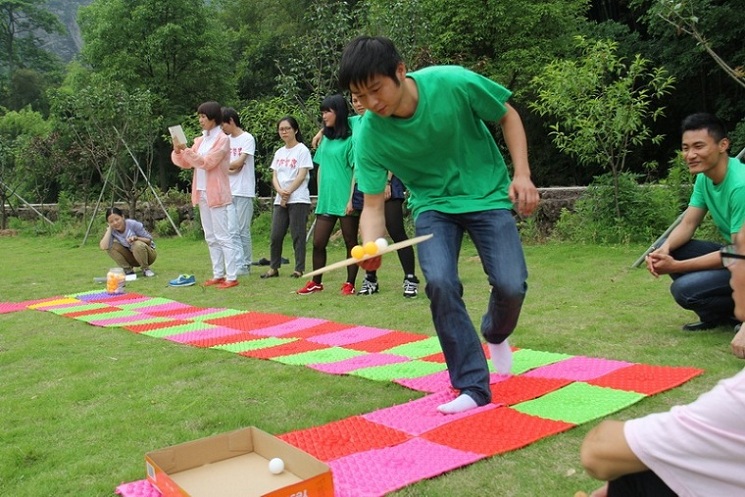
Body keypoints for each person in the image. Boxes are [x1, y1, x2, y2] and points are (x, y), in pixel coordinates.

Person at [338, 36, 539, 414]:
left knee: (511, 285)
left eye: (376, 89)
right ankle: (472, 385)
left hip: (487, 195)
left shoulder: (452, 83)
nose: (371, 103)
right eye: (359, 96)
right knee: (441, 283)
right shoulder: (370, 135)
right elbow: (373, 203)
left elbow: (507, 114)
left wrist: (522, 174)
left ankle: (496, 332)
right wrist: (370, 245)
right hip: (433, 206)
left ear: (400, 71)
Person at [578, 224, 745, 497]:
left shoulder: (738, 396)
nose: (731, 267)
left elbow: (599, 452)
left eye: (735, 255)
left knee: (638, 472)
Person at [312, 95, 420, 298]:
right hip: (364, 185)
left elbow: (391, 151)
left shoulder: (383, 119)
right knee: (369, 237)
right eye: (354, 101)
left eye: (362, 99)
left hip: (386, 183)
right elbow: (336, 120)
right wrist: (320, 132)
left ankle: (410, 279)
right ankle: (371, 279)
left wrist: (388, 181)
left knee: (396, 231)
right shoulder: (355, 122)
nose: (358, 104)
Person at [646, 113, 745, 331]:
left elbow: (737, 252)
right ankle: (717, 317)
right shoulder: (704, 178)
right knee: (666, 245)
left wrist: (676, 266)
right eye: (686, 148)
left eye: (698, 146)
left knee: (684, 290)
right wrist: (664, 251)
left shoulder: (740, 186)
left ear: (723, 145)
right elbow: (688, 224)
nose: (690, 155)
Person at [171, 101, 240, 289]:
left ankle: (231, 276)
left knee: (222, 235)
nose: (200, 120)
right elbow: (187, 162)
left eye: (203, 116)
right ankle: (218, 273)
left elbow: (208, 163)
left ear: (213, 118)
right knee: (210, 236)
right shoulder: (200, 140)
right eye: (199, 116)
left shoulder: (223, 140)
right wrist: (179, 151)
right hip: (201, 190)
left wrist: (186, 151)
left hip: (216, 192)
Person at [297, 94, 359, 296]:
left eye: (327, 112)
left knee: (350, 242)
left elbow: (355, 171)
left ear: (338, 112)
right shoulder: (325, 139)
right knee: (318, 243)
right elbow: (321, 167)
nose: (323, 116)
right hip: (326, 200)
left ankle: (350, 283)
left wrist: (351, 199)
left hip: (345, 199)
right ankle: (316, 282)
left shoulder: (350, 139)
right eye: (322, 112)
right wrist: (320, 195)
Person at [261, 116, 313, 279]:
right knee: (276, 235)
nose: (284, 132)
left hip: (298, 198)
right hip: (280, 198)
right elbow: (275, 176)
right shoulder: (279, 152)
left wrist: (288, 192)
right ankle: (273, 267)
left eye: (287, 128)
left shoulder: (302, 150)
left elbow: (301, 175)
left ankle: (299, 269)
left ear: (295, 130)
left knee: (298, 234)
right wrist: (280, 191)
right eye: (281, 129)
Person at [221, 106, 256, 275]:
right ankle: (239, 265)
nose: (222, 128)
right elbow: (226, 165)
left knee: (243, 230)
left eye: (223, 124)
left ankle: (246, 264)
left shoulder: (247, 138)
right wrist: (229, 167)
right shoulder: (225, 141)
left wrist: (227, 167)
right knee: (231, 231)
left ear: (231, 121)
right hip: (228, 191)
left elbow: (239, 163)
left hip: (243, 190)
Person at [99, 207, 157, 277]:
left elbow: (149, 241)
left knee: (137, 244)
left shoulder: (133, 224)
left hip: (148, 256)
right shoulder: (112, 230)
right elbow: (104, 247)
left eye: (117, 219)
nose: (115, 223)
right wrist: (109, 229)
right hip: (132, 257)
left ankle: (146, 269)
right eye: (111, 222)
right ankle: (128, 271)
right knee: (110, 246)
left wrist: (136, 238)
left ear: (122, 217)